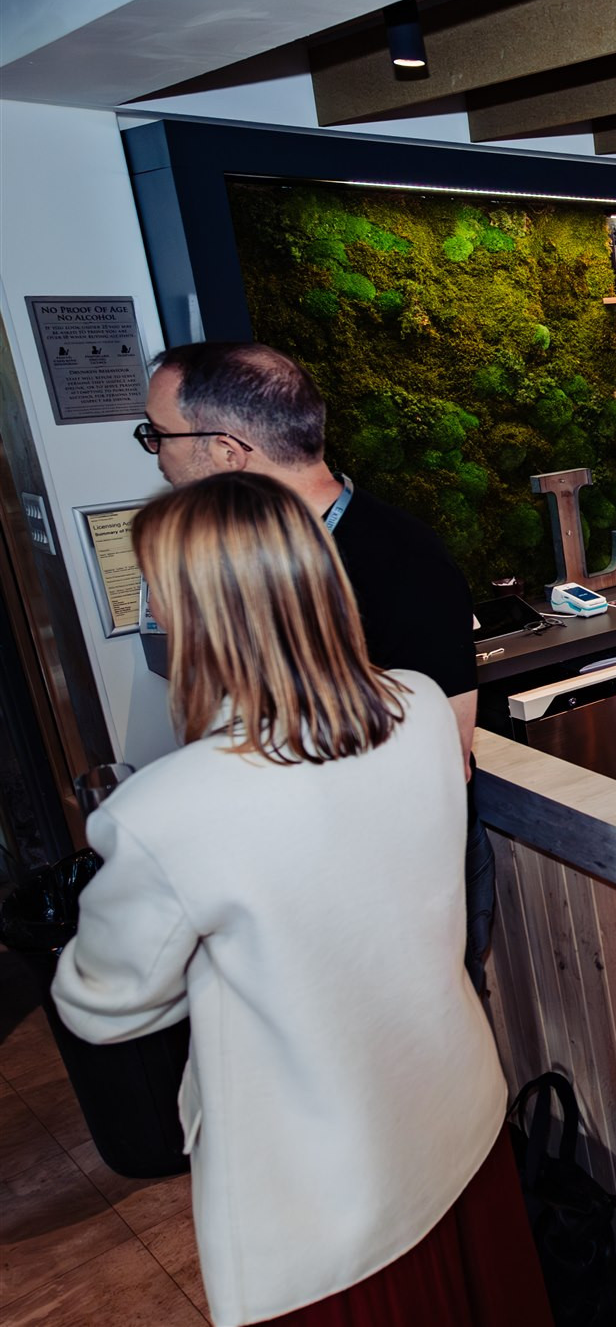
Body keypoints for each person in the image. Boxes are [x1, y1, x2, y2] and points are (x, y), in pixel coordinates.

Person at [51, 471, 549, 1327]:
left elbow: (101, 1003)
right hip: (457, 1122)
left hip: (326, 1203)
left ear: (202, 614)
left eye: (159, 594)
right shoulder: (422, 708)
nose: (154, 618)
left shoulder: (165, 812)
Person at [137, 342, 493, 990]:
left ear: (225, 451)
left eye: (158, 435)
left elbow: (447, 758)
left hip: (396, 899)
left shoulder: (402, 562)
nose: (156, 456)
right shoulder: (234, 565)